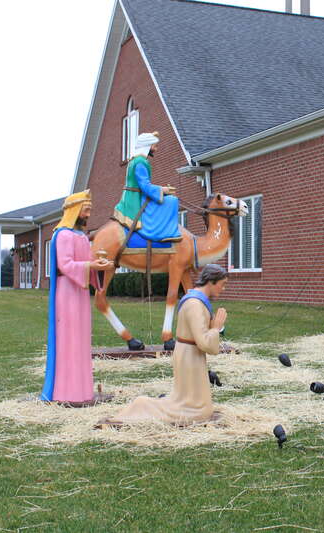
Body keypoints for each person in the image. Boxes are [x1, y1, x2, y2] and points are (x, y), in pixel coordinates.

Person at [100, 264, 229, 426]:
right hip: (190, 356)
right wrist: (216, 328)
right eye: (222, 284)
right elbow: (204, 342)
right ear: (211, 281)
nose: (223, 289)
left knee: (198, 406)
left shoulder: (196, 301)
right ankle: (142, 405)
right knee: (196, 410)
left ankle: (146, 405)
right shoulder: (195, 304)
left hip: (190, 354)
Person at [41, 190, 115, 403]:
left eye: (89, 210)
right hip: (67, 292)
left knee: (81, 339)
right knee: (69, 338)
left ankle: (82, 391)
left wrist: (100, 267)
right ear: (75, 211)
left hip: (80, 292)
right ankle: (66, 392)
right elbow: (65, 265)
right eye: (86, 210)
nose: (88, 214)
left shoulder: (81, 236)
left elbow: (87, 262)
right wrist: (91, 265)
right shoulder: (63, 235)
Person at [113, 131, 181, 242]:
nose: (156, 149)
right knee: (172, 201)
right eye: (154, 146)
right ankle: (165, 232)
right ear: (147, 146)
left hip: (136, 195)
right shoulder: (140, 162)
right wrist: (163, 189)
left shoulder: (136, 160)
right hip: (136, 198)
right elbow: (145, 186)